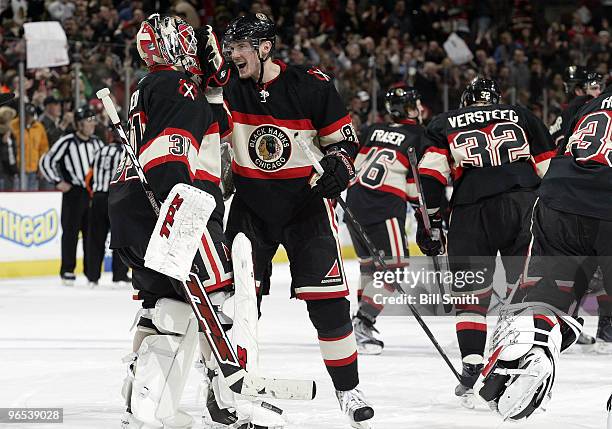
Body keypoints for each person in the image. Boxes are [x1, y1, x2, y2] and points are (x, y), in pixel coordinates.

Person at [220, 13, 374, 428]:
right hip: (251, 208)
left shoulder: (309, 83)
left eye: (240, 46)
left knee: (329, 307)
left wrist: (340, 165)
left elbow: (344, 143)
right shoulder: (225, 88)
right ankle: (229, 388)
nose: (232, 53)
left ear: (265, 47)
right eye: (229, 46)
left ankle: (348, 389)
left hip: (306, 207)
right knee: (235, 302)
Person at [109, 14, 231, 428]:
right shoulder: (178, 86)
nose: (198, 52)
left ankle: (138, 398)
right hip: (171, 205)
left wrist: (214, 90)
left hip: (129, 206)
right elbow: (171, 155)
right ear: (173, 46)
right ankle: (225, 393)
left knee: (161, 304)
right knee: (215, 296)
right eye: (190, 43)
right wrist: (173, 207)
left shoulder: (153, 86)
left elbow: (218, 129)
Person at [474, 81, 612, 421]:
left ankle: (532, 344)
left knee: (547, 296)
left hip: (559, 198)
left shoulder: (591, 104)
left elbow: (561, 147)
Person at [417, 77, 556, 407]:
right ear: (496, 99)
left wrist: (431, 223)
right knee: (525, 288)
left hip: (470, 210)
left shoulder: (443, 122)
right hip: (523, 203)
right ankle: (524, 360)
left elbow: (431, 176)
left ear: (466, 101)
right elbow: (550, 168)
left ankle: (472, 363)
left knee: (469, 293)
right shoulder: (521, 114)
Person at [345, 85, 423, 355]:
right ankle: (363, 323)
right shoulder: (417, 135)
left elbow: (352, 164)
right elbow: (416, 188)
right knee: (394, 269)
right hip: (383, 207)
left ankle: (357, 325)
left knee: (369, 270)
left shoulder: (371, 129)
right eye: (415, 105)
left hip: (354, 203)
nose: (419, 109)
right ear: (409, 109)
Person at [548, 65, 606, 346]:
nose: (596, 92)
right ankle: (602, 325)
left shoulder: (566, 115)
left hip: (562, 193)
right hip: (595, 192)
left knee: (572, 271)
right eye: (592, 87)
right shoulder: (584, 108)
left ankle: (564, 325)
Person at [39, 106, 103, 286]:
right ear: (78, 124)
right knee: (70, 232)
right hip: (74, 193)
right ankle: (67, 270)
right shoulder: (67, 141)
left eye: (93, 121)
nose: (91, 125)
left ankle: (91, 273)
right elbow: (46, 161)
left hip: (93, 193)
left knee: (91, 234)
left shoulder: (98, 143)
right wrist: (57, 181)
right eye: (87, 121)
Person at [84, 126, 129, 287]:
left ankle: (92, 277)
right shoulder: (126, 152)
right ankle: (119, 275)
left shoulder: (100, 151)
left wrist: (95, 194)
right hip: (116, 199)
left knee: (95, 238)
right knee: (120, 238)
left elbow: (88, 178)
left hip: (98, 198)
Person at [10, 102, 49, 190]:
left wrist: (42, 167)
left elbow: (43, 149)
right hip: (18, 170)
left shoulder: (39, 127)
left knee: (32, 198)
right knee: (17, 197)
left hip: (33, 170)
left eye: (30, 115)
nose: (28, 118)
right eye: (26, 115)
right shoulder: (12, 126)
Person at [0, 105, 18, 190]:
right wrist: (3, 143)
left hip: (11, 170)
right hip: (2, 172)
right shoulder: (2, 134)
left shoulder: (10, 133)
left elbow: (13, 152)